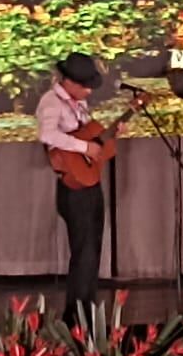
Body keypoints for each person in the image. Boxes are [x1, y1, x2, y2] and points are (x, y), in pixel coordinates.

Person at [35, 52, 121, 325]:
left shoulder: (79, 103)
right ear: (69, 82)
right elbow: (47, 134)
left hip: (89, 181)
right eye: (84, 86)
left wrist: (109, 135)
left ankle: (88, 310)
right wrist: (84, 147)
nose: (88, 91)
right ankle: (75, 316)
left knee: (92, 250)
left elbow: (88, 133)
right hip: (72, 187)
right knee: (83, 252)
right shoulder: (51, 102)